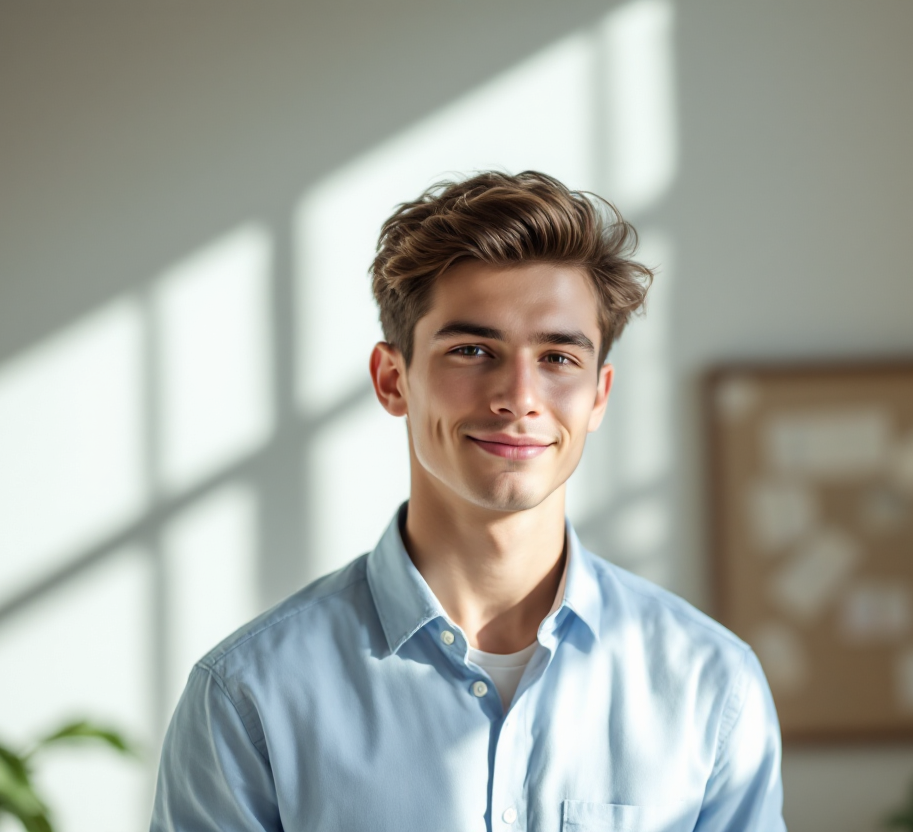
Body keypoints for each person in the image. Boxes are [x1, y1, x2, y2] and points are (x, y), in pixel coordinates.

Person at [151, 171, 786, 831]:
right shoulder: (249, 693)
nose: (518, 396)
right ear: (393, 379)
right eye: (473, 350)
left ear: (599, 396)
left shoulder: (712, 683)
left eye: (559, 359)